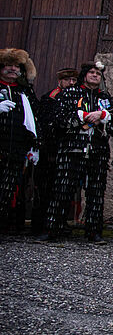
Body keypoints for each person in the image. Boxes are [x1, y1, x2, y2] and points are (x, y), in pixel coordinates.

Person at [42, 62, 113, 243]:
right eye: (91, 72)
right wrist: (83, 116)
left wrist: (104, 117)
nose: (95, 75)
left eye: (98, 73)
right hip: (71, 150)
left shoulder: (105, 98)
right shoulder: (69, 94)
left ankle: (93, 232)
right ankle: (53, 230)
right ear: (84, 75)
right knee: (62, 191)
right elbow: (58, 120)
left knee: (96, 193)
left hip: (97, 152)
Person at [31, 67, 77, 236]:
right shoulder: (50, 97)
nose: (71, 83)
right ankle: (40, 224)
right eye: (68, 80)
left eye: (73, 81)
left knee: (64, 189)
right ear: (60, 81)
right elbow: (44, 122)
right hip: (50, 149)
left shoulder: (77, 99)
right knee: (45, 188)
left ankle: (60, 222)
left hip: (68, 150)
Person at [0, 48, 38, 236]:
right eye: (9, 65)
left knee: (7, 192)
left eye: (16, 66)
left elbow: (32, 121)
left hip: (15, 150)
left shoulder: (24, 92)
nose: (12, 69)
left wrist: (33, 146)